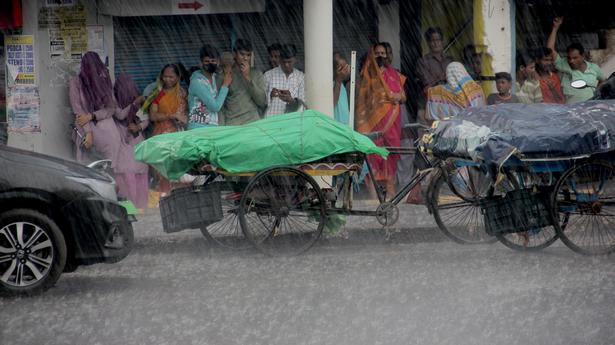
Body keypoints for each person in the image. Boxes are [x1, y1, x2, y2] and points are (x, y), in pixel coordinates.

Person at [355, 43, 406, 196]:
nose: (381, 56)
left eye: (383, 53)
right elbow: (361, 101)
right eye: (377, 53)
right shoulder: (367, 75)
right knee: (372, 160)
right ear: (372, 55)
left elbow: (403, 97)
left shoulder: (394, 74)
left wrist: (393, 96)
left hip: (391, 125)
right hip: (372, 125)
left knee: (389, 160)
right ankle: (373, 202)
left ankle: (391, 200)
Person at [69, 51, 123, 164]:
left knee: (107, 167)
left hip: (107, 133)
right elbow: (78, 111)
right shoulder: (76, 83)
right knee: (87, 166)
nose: (92, 71)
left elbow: (111, 108)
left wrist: (92, 116)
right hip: (86, 131)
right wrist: (88, 132)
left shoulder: (103, 82)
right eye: (89, 68)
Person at [144, 64, 188, 194]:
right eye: (165, 76)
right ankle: (165, 197)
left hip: (179, 134)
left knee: (179, 169)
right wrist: (171, 115)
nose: (168, 80)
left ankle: (180, 198)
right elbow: (152, 116)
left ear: (178, 77)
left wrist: (183, 119)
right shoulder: (158, 93)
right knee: (163, 169)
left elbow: (187, 113)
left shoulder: (183, 93)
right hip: (162, 134)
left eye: (171, 77)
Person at [547, 17, 606, 103]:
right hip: (571, 110)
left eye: (575, 58)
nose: (571, 61)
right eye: (569, 58)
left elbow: (604, 80)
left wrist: (597, 92)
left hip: (590, 109)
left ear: (583, 56)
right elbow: (549, 50)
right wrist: (555, 28)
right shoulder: (563, 64)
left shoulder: (594, 68)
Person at [113, 74, 149, 209]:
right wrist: (133, 104)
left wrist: (138, 126)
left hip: (137, 141)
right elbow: (120, 115)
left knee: (139, 175)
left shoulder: (138, 103)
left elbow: (145, 119)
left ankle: (140, 207)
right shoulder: (114, 103)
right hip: (124, 143)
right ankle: (130, 207)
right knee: (126, 176)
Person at [218, 38, 267, 125]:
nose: (245, 58)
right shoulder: (225, 75)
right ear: (234, 54)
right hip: (233, 124)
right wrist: (222, 128)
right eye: (242, 54)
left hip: (253, 123)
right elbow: (220, 106)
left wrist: (247, 77)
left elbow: (262, 102)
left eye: (248, 55)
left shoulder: (256, 74)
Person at [187, 44, 232, 129]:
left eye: (213, 61)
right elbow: (214, 107)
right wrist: (225, 85)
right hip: (197, 127)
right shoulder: (197, 82)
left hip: (212, 127)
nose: (210, 63)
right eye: (206, 61)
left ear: (218, 62)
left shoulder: (215, 78)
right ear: (200, 63)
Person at [264, 44, 305, 117]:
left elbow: (304, 105)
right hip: (272, 120)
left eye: (289, 62)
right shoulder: (268, 75)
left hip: (292, 121)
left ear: (295, 60)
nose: (286, 65)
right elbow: (261, 103)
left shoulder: (301, 77)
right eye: (283, 62)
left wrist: (291, 100)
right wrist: (270, 96)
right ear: (279, 59)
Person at [417, 27, 454, 92]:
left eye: (438, 40)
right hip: (434, 97)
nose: (436, 43)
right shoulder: (423, 62)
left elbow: (456, 80)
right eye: (432, 40)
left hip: (451, 96)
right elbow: (428, 84)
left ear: (442, 41)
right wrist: (443, 78)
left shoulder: (449, 60)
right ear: (428, 43)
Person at [333, 52, 351, 125]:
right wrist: (338, 81)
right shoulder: (332, 84)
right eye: (340, 68)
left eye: (345, 68)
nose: (343, 72)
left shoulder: (343, 85)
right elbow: (332, 103)